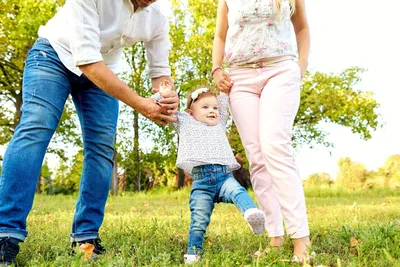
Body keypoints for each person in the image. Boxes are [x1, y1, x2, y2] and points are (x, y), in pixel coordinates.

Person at [0, 0, 178, 265]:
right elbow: (87, 62)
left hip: (103, 71)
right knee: (36, 127)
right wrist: (141, 104)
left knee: (102, 147)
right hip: (54, 56)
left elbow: (160, 71)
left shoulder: (158, 15)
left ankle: (86, 236)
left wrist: (165, 93)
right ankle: (6, 233)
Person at [212, 0, 311, 262]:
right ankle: (275, 237)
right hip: (240, 78)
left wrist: (300, 66)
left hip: (279, 70)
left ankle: (301, 238)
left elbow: (301, 28)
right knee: (257, 158)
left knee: (275, 147)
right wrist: (216, 68)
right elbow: (220, 34)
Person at [157, 81, 266, 264]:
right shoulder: (185, 122)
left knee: (238, 191)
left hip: (224, 176)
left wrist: (223, 89)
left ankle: (252, 214)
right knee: (198, 220)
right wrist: (164, 95)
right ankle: (193, 253)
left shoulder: (220, 123)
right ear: (191, 112)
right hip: (201, 183)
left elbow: (224, 101)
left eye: (214, 107)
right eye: (205, 107)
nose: (212, 111)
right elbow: (166, 111)